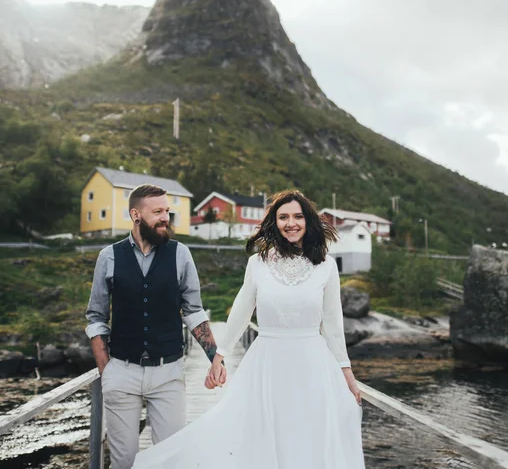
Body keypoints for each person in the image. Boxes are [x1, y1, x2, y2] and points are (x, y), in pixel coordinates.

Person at [131, 189, 365, 468]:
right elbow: (240, 314)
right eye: (283, 217)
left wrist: (346, 373)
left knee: (308, 434)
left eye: (298, 216)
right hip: (267, 362)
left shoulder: (326, 266)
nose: (291, 223)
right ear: (274, 223)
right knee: (264, 433)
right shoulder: (258, 264)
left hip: (313, 364)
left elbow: (333, 324)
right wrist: (218, 357)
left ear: (308, 221)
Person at [85, 184, 226, 469]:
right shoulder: (109, 257)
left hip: (168, 373)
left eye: (168, 211)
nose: (166, 218)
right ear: (136, 215)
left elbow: (194, 311)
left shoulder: (180, 254)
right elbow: (96, 317)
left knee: (172, 459)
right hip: (121, 374)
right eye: (158, 212)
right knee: (124, 462)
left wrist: (215, 357)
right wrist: (106, 369)